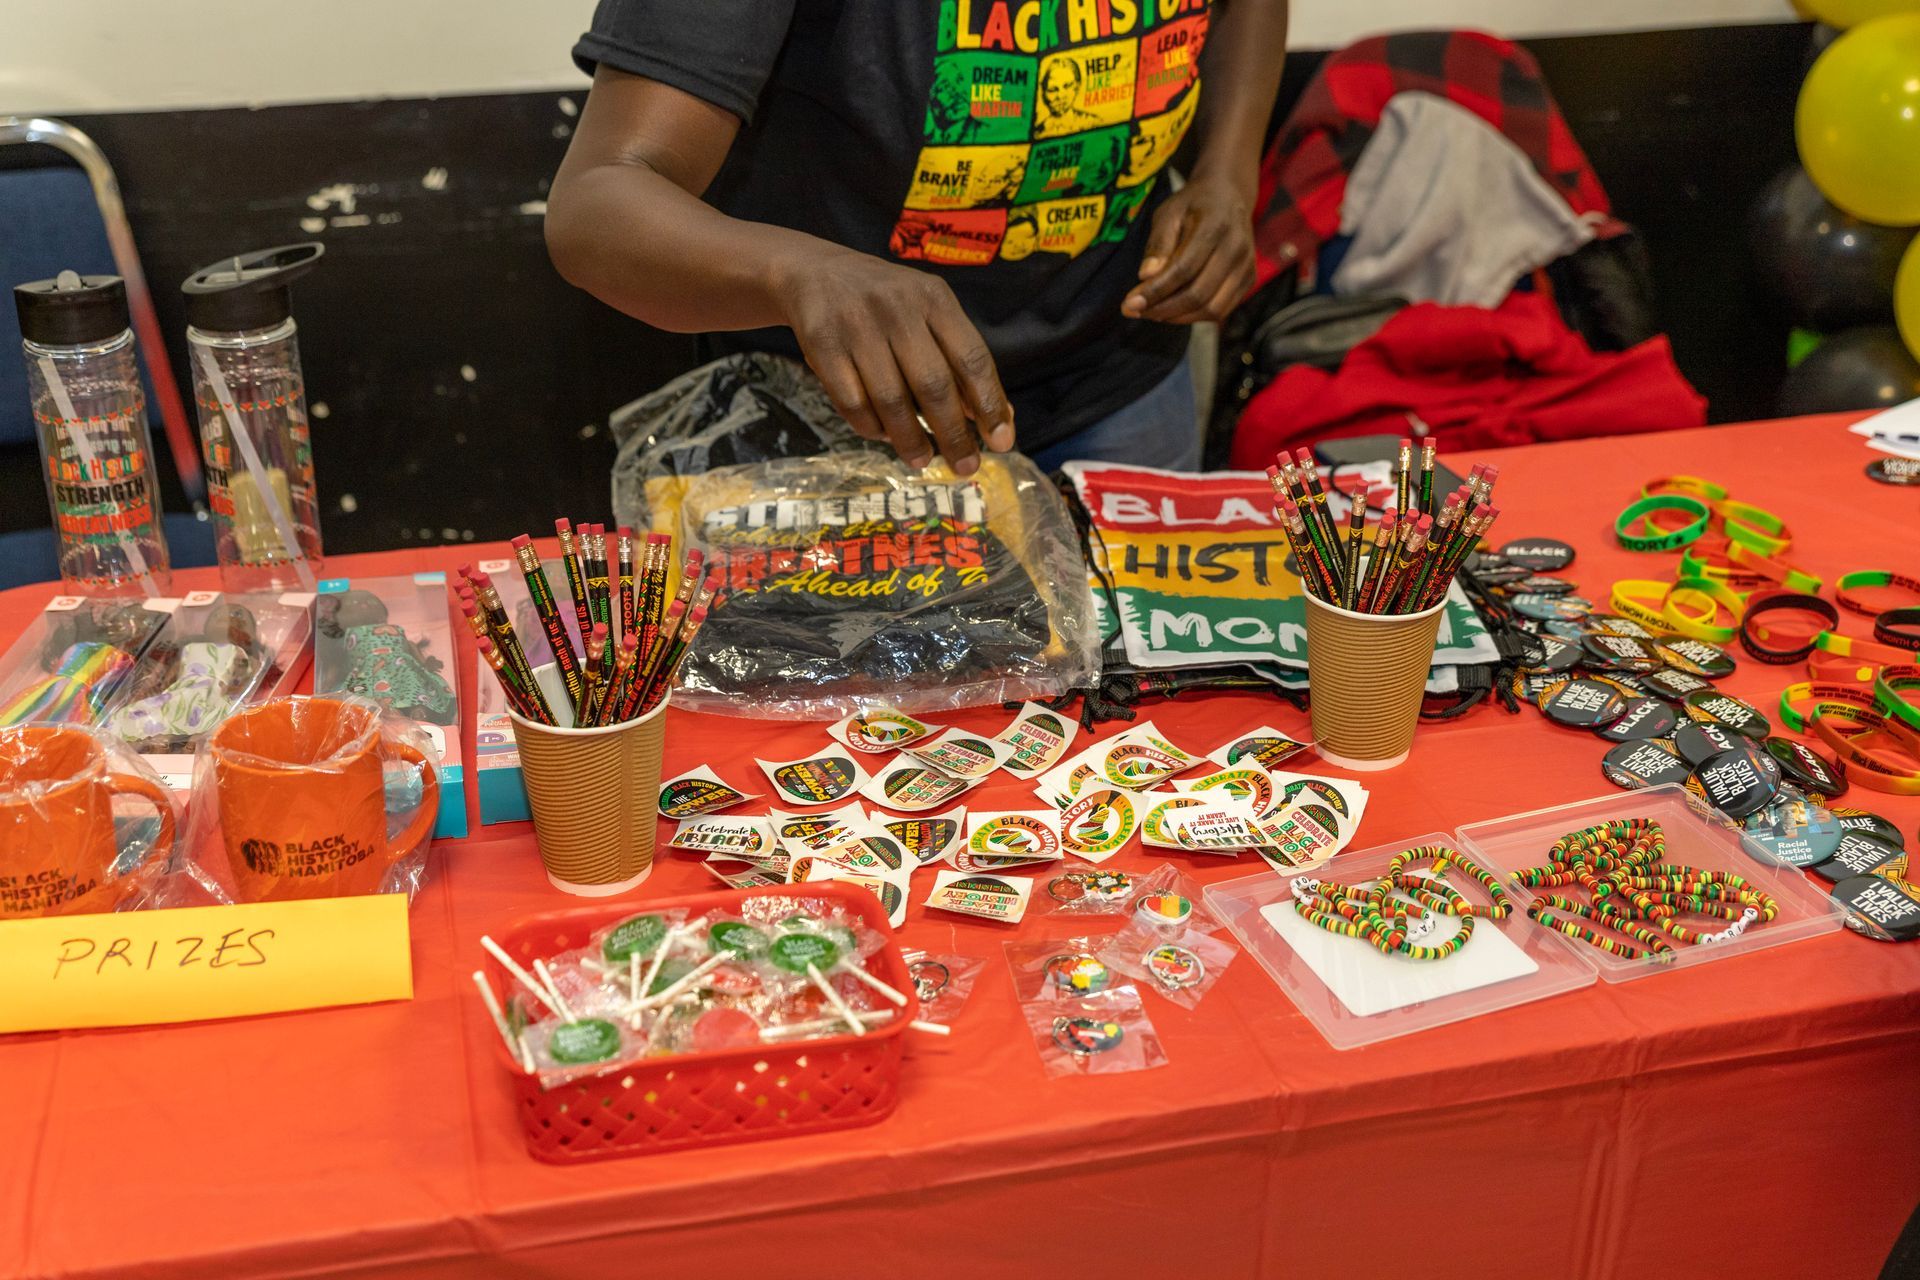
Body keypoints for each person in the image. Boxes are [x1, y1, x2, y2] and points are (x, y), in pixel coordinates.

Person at [548, 0, 1289, 475]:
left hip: (1120, 373)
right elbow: (597, 203)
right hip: (829, 419)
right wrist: (799, 271)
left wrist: (1228, 172)